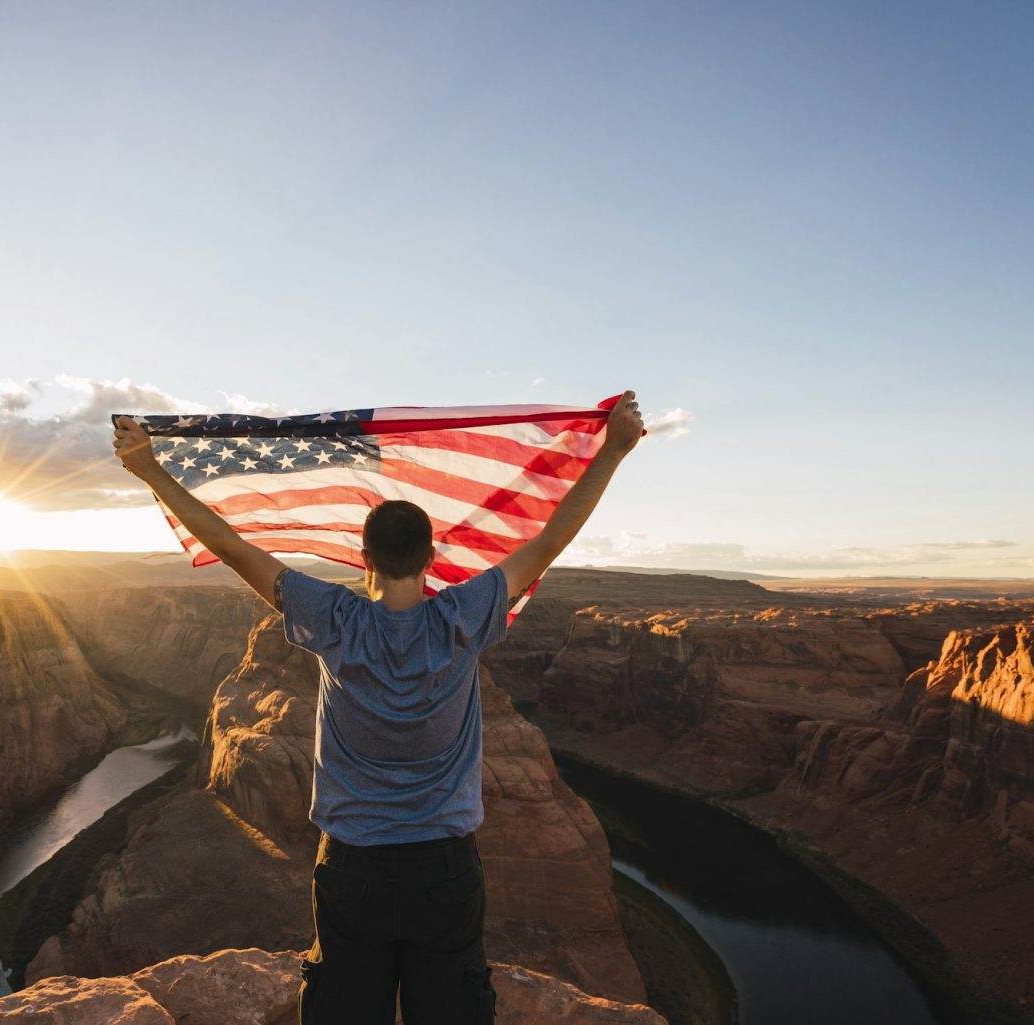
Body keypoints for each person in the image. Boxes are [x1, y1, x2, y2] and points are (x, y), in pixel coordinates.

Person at [111, 391, 645, 1025]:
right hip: (444, 868)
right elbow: (554, 536)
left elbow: (232, 547)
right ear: (432, 560)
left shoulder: (333, 620)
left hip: (353, 865)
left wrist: (151, 470)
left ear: (364, 559)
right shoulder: (464, 617)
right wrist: (610, 452)